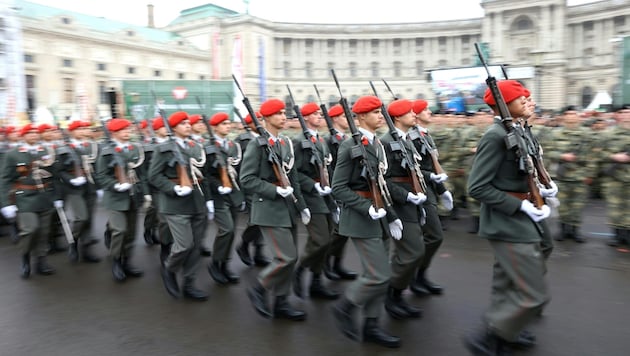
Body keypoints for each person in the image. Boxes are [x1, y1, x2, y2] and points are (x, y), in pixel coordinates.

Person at [465, 80, 551, 355]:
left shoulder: (519, 131)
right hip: (508, 222)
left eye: (528, 97)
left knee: (507, 284)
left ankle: (504, 334)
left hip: (524, 217)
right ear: (503, 105)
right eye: (521, 98)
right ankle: (489, 337)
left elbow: (525, 171)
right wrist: (521, 206)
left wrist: (546, 189)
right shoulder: (495, 135)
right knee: (534, 296)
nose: (528, 101)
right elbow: (477, 187)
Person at [331, 95, 401, 348]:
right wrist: (366, 208)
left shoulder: (378, 144)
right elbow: (338, 188)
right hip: (361, 218)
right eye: (374, 112)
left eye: (380, 111)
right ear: (360, 117)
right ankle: (345, 306)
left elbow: (381, 185)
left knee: (378, 275)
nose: (380, 115)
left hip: (380, 216)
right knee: (378, 275)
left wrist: (391, 216)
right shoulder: (350, 145)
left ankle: (371, 325)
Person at [240, 98, 310, 321]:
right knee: (285, 257)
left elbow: (294, 178)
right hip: (269, 208)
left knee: (291, 258)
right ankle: (259, 288)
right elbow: (247, 179)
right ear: (267, 118)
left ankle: (281, 303)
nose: (284, 117)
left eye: (284, 113)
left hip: (288, 208)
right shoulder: (257, 144)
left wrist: (302, 205)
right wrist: (273, 190)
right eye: (278, 113)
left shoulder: (285, 143)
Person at [149, 112, 212, 301]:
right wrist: (173, 188)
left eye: (188, 123)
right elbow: (154, 176)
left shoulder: (196, 146)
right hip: (175, 204)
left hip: (197, 201)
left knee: (196, 247)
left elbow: (203, 175)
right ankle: (169, 269)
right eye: (182, 123)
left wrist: (208, 200)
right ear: (173, 128)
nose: (187, 125)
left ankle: (189, 283)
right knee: (184, 244)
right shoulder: (164, 149)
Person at [380, 99, 427, 319]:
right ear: (397, 117)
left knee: (412, 253)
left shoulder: (406, 139)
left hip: (413, 204)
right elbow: (383, 180)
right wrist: (406, 195)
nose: (414, 115)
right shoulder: (387, 141)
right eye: (409, 113)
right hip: (399, 205)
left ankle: (397, 294)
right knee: (412, 252)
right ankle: (390, 293)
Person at [0, 123, 63, 278]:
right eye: (30, 133)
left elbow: (55, 176)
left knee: (43, 232)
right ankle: (25, 257)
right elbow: (5, 180)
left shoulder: (46, 151)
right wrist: (6, 204)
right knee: (30, 229)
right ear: (23, 136)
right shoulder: (13, 154)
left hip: (45, 196)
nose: (34, 135)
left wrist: (57, 197)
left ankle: (41, 261)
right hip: (25, 198)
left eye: (36, 132)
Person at [292, 102, 339, 300]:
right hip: (311, 196)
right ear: (306, 118)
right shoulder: (300, 141)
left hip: (326, 195)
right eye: (315, 114)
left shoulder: (321, 140)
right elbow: (294, 172)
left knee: (327, 241)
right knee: (320, 239)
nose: (320, 116)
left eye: (320, 114)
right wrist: (312, 185)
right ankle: (299, 270)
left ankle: (316, 282)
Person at [408, 99, 453, 296]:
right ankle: (411, 276)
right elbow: (415, 169)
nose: (430, 112)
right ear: (416, 115)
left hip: (430, 192)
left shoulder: (426, 136)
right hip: (418, 193)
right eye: (425, 110)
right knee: (433, 236)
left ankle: (419, 275)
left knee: (430, 237)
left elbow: (432, 165)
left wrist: (442, 190)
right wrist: (433, 179)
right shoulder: (413, 138)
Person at [95, 118, 148, 282]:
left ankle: (127, 261)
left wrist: (146, 193)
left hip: (133, 195)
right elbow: (101, 175)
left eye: (128, 129)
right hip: (116, 197)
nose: (128, 132)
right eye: (124, 130)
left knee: (131, 233)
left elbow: (142, 174)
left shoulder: (135, 149)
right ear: (115, 133)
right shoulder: (107, 151)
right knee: (120, 230)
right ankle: (116, 260)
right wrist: (115, 185)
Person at [205, 112, 244, 285]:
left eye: (228, 123)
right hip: (217, 196)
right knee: (226, 229)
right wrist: (216, 187)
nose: (228, 126)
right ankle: (215, 263)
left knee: (232, 231)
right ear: (215, 127)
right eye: (223, 124)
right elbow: (205, 174)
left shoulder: (233, 146)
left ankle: (224, 264)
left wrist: (241, 195)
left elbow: (239, 170)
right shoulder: (208, 147)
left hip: (233, 194)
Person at [56, 120, 101, 263]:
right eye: (79, 129)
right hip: (74, 188)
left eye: (84, 128)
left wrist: (99, 187)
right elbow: (60, 171)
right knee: (81, 217)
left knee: (89, 219)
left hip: (91, 186)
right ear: (72, 131)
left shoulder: (93, 147)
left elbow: (100, 168)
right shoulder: (64, 149)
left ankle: (86, 249)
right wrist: (71, 179)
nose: (83, 131)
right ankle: (73, 241)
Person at [322, 104, 357, 281]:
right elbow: (327, 167)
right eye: (345, 116)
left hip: (348, 188)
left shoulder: (347, 139)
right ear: (335, 118)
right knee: (336, 232)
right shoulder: (328, 141)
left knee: (344, 231)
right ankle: (326, 263)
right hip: (336, 189)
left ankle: (337, 264)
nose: (349, 120)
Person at [234, 112, 271, 267]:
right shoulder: (242, 141)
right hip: (249, 187)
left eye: (263, 119)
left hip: (264, 185)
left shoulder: (266, 138)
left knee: (263, 220)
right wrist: (239, 194)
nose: (262, 122)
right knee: (256, 220)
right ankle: (244, 244)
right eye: (259, 120)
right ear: (250, 123)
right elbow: (237, 168)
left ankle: (258, 252)